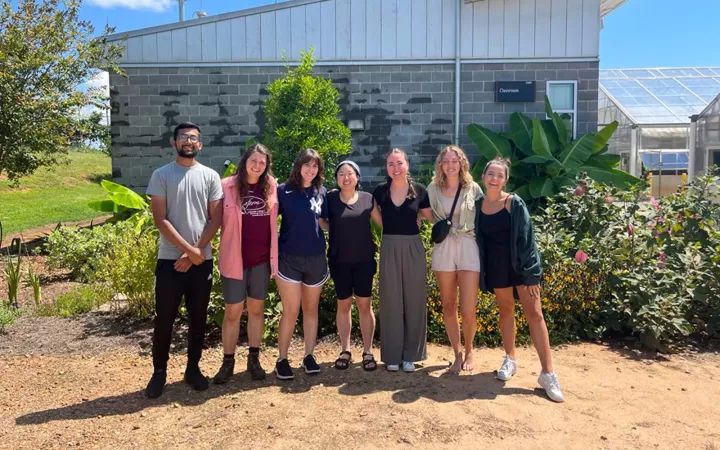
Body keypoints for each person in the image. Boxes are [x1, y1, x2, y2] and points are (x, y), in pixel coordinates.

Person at [475, 157, 565, 403]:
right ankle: (510, 359)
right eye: (490, 174)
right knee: (506, 311)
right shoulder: (477, 205)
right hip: (496, 269)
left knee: (535, 314)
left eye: (499, 175)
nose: (494, 179)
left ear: (505, 180)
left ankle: (548, 373)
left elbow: (528, 240)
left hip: (521, 268)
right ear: (483, 177)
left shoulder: (514, 203)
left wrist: (532, 273)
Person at [145, 122, 223, 399]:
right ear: (174, 142)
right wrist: (189, 250)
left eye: (193, 138)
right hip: (170, 260)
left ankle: (193, 369)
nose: (188, 142)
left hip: (201, 260)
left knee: (198, 318)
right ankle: (159, 373)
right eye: (183, 138)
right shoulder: (161, 175)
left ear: (200, 144)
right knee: (164, 318)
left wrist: (195, 253)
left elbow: (216, 219)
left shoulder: (210, 176)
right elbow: (160, 219)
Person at [213, 143, 278, 384]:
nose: (258, 165)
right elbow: (212, 219)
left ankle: (254, 358)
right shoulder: (226, 186)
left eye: (262, 162)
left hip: (261, 261)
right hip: (234, 261)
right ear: (245, 160)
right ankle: (227, 361)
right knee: (232, 313)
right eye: (254, 160)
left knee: (257, 310)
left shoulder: (270, 187)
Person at [372, 148, 433, 373]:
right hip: (389, 246)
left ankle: (411, 355)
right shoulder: (380, 191)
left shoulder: (419, 190)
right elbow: (373, 213)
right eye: (390, 164)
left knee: (414, 300)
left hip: (413, 247)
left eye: (399, 163)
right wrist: (387, 227)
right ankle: (392, 355)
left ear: (407, 164)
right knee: (390, 301)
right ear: (386, 168)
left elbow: (431, 217)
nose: (395, 168)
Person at [427, 145, 484, 374]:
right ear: (440, 164)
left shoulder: (473, 188)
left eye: (454, 161)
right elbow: (424, 211)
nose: (450, 165)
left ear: (462, 163)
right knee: (449, 304)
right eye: (446, 161)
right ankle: (457, 354)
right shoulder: (433, 189)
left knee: (469, 308)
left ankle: (470, 349)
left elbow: (484, 215)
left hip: (469, 245)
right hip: (444, 248)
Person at [274, 149, 329, 380]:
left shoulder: (321, 192)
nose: (310, 170)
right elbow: (267, 220)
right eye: (307, 165)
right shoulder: (283, 191)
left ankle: (308, 355)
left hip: (315, 257)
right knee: (291, 310)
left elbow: (324, 223)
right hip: (289, 258)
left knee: (310, 309)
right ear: (298, 167)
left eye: (315, 166)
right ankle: (282, 359)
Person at [323, 160, 383, 372]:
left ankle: (368, 351)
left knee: (364, 306)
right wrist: (334, 229)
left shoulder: (368, 199)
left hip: (364, 261)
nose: (346, 177)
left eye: (350, 173)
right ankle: (345, 350)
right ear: (337, 178)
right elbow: (321, 220)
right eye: (341, 174)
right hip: (339, 261)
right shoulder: (330, 198)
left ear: (357, 177)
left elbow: (383, 223)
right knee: (344, 305)